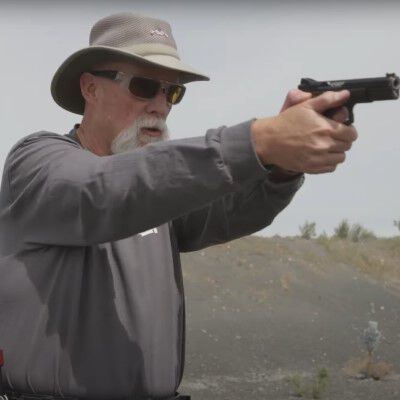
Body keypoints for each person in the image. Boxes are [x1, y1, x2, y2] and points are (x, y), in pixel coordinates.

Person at [0, 12, 357, 400]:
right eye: (144, 86)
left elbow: (227, 210)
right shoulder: (37, 162)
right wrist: (258, 140)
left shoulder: (159, 190)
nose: (160, 105)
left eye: (172, 92)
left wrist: (281, 167)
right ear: (90, 88)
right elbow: (100, 191)